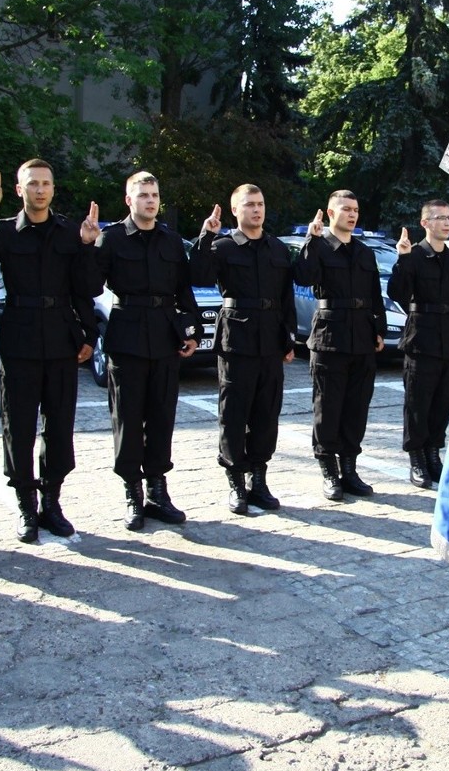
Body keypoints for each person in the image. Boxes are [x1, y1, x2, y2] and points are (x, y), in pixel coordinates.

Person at [0, 161, 99, 543]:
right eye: (32, 184)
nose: (40, 190)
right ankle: (26, 504)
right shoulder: (4, 230)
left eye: (46, 184)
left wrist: (89, 248)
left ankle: (51, 503)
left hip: (60, 339)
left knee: (59, 427)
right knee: (18, 426)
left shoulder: (72, 232)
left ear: (53, 189)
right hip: (20, 337)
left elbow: (85, 288)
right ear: (20, 190)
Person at [93, 172, 203, 531]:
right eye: (143, 195)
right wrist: (87, 248)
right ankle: (132, 494)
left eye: (155, 194)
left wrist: (191, 329)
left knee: (161, 418)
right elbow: (89, 285)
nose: (150, 201)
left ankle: (158, 491)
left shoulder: (171, 240)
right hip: (127, 335)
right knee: (127, 418)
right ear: (129, 200)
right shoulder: (110, 238)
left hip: (164, 334)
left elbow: (184, 290)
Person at [190, 184, 296, 515]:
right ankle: (236, 479)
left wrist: (288, 337)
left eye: (260, 204)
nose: (256, 210)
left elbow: (286, 296)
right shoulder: (222, 246)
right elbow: (199, 275)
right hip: (236, 339)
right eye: (249, 205)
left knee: (266, 414)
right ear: (236, 210)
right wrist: (206, 237)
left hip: (270, 340)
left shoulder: (277, 248)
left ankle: (259, 480)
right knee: (235, 413)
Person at [293, 191, 387, 501]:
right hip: (329, 336)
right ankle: (329, 470)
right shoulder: (319, 247)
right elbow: (303, 277)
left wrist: (379, 329)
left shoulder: (364, 252)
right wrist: (310, 239)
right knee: (328, 406)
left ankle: (349, 469)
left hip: (361, 334)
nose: (352, 214)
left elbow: (374, 294)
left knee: (356, 407)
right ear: (331, 213)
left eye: (356, 210)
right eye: (345, 209)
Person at [388, 201, 449, 488]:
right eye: (440, 218)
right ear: (425, 223)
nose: (446, 222)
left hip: (447, 342)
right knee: (418, 405)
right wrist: (402, 259)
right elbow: (397, 292)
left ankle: (433, 454)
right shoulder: (415, 256)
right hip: (421, 340)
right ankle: (416, 457)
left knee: (442, 404)